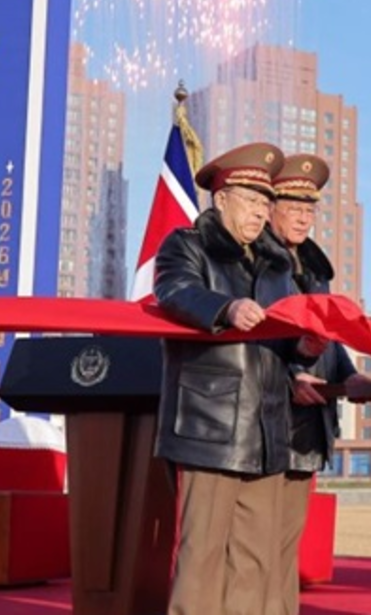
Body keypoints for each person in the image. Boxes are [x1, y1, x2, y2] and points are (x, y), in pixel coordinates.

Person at [153, 142, 323, 615]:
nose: (260, 211)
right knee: (202, 555)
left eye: (266, 202)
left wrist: (305, 349)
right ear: (221, 198)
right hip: (210, 426)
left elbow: (284, 335)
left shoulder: (277, 263)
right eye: (250, 200)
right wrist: (225, 308)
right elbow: (174, 290)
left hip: (267, 429)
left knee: (255, 560)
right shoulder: (187, 245)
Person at [266, 153, 371, 615]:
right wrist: (291, 375)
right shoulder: (258, 264)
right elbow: (255, 340)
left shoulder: (314, 269)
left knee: (283, 545)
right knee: (255, 544)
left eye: (309, 209)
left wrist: (348, 375)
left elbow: (324, 337)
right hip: (267, 418)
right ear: (269, 207)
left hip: (307, 423)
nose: (302, 217)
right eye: (292, 207)